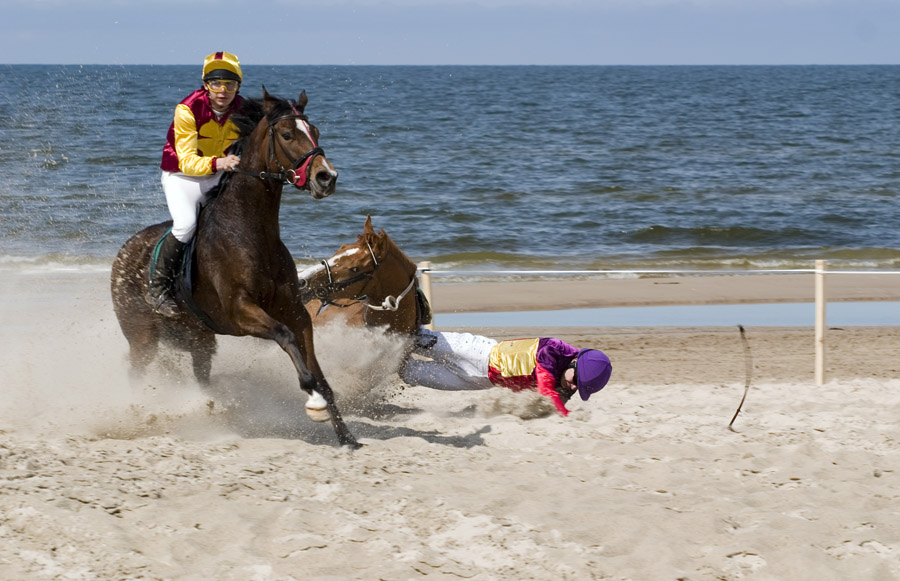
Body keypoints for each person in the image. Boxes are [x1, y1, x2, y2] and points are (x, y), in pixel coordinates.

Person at [146, 51, 246, 316]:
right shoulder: (187, 109)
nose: (223, 91)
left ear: (238, 87)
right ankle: (158, 289)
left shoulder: (244, 110)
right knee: (187, 224)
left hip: (219, 172)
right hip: (182, 176)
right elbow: (187, 161)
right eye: (216, 83)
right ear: (205, 85)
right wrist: (219, 163)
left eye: (230, 84)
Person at [401, 330, 612, 417]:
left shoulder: (567, 380)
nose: (573, 387)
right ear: (574, 362)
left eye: (578, 388)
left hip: (481, 382)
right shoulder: (554, 349)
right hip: (479, 353)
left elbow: (551, 402)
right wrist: (565, 414)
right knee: (413, 339)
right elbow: (546, 388)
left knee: (410, 373)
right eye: (576, 381)